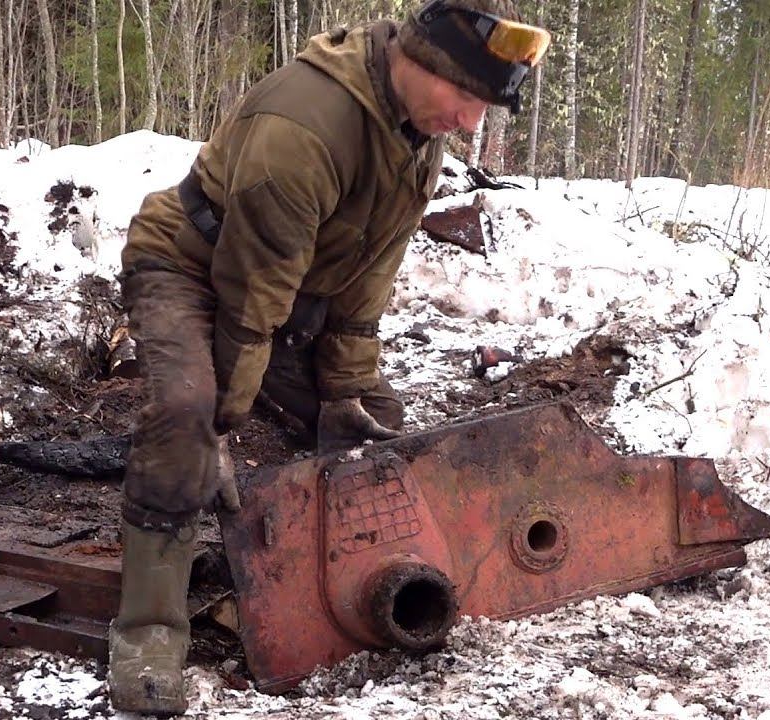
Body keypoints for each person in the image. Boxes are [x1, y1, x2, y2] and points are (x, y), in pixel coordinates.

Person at [108, 0, 550, 713]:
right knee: (186, 420)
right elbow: (250, 302)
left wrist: (344, 392)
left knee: (373, 425)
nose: (471, 123)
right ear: (421, 64)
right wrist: (221, 425)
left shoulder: (415, 128)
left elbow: (367, 275)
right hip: (189, 265)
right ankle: (148, 635)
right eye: (467, 99)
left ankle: (335, 582)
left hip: (283, 291)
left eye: (483, 108)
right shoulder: (303, 128)